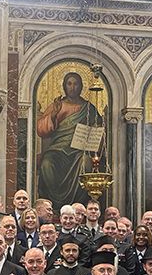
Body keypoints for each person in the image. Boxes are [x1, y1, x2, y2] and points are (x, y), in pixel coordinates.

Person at [35, 72, 104, 208]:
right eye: (69, 84)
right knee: (46, 164)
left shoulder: (88, 108)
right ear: (64, 86)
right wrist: (53, 115)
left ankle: (80, 206)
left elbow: (100, 130)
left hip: (79, 152)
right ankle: (52, 205)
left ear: (81, 86)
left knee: (86, 163)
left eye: (76, 84)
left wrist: (96, 129)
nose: (72, 87)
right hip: (57, 150)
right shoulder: (57, 105)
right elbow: (41, 130)